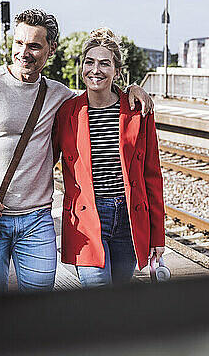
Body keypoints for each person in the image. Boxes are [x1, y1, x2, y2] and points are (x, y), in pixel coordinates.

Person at [0, 9, 153, 295]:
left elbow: (98, 91)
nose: (23, 52)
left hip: (37, 220)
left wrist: (132, 89)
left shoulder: (59, 96)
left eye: (34, 45)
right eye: (18, 43)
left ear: (51, 49)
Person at [53, 28, 165, 288]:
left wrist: (157, 236)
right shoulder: (67, 112)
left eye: (105, 63)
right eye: (89, 62)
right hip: (87, 218)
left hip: (128, 218)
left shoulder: (138, 111)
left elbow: (152, 176)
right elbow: (41, 157)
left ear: (117, 70)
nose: (96, 70)